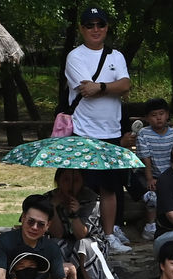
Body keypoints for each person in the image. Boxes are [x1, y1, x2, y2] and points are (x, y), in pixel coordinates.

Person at [65, 7, 131, 252]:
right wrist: (109, 87)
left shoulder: (117, 56)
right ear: (82, 29)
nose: (95, 29)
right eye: (90, 25)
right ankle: (82, 234)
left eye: (100, 25)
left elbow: (125, 84)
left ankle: (109, 234)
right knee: (82, 187)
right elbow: (85, 89)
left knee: (111, 188)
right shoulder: (75, 56)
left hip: (112, 131)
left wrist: (101, 86)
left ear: (106, 28)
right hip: (84, 131)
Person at [0, 195, 87, 279]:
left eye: (41, 224)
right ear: (23, 217)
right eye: (30, 221)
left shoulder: (51, 248)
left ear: (48, 225)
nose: (34, 228)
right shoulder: (4, 241)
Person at [44, 168, 109, 279]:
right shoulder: (49, 198)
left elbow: (82, 234)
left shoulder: (92, 199)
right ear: (57, 181)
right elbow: (57, 233)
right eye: (66, 180)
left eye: (76, 180)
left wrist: (75, 214)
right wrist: (53, 208)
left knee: (83, 244)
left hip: (91, 242)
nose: (70, 184)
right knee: (54, 244)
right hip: (65, 241)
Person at [134, 98, 173, 240]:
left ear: (167, 115)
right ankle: (150, 226)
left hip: (169, 173)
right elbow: (146, 158)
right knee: (151, 195)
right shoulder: (144, 134)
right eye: (153, 115)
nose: (158, 118)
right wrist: (150, 178)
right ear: (147, 118)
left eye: (161, 113)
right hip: (148, 174)